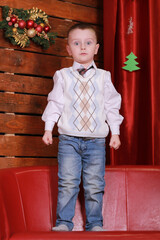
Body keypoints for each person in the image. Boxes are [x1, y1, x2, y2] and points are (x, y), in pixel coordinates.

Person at [42, 23, 123, 232]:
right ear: (69, 49)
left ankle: (95, 224)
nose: (83, 47)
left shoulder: (104, 76)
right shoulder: (62, 76)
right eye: (77, 43)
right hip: (69, 140)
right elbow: (55, 103)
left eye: (88, 43)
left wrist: (115, 132)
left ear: (96, 48)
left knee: (94, 185)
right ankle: (64, 223)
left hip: (96, 142)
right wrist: (48, 128)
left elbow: (111, 105)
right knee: (68, 183)